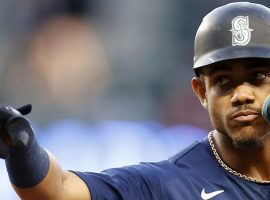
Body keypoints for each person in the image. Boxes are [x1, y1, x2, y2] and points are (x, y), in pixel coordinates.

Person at [2, 1, 270, 199]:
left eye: (257, 77)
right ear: (201, 92)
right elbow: (58, 191)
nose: (242, 95)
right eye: (223, 81)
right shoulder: (170, 183)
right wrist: (23, 149)